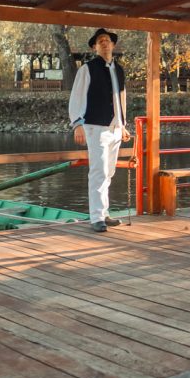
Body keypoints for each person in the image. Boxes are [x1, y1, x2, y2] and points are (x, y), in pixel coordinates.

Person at [69, 27, 132, 232]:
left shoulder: (119, 69)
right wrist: (77, 123)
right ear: (94, 47)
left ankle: (104, 213)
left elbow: (121, 98)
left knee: (109, 172)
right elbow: (77, 97)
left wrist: (122, 124)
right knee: (99, 171)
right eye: (100, 41)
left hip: (115, 127)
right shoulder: (87, 69)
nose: (104, 43)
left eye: (107, 40)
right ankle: (96, 217)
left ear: (113, 45)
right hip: (95, 126)